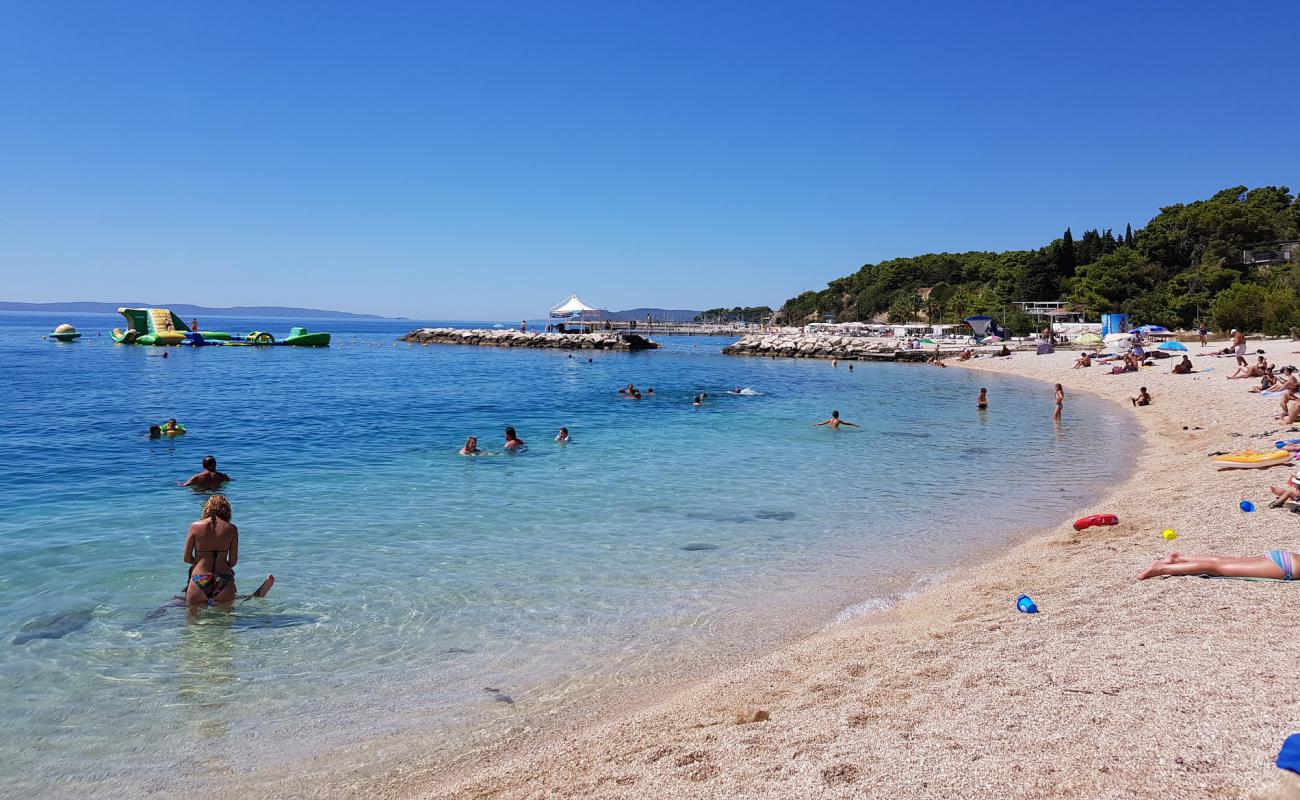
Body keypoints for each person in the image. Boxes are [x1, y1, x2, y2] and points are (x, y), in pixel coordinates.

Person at [183, 495, 239, 605]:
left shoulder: (195, 526)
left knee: (192, 620)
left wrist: (199, 562)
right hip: (224, 579)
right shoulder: (232, 529)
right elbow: (232, 562)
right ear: (226, 510)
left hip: (200, 578)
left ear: (207, 508)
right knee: (226, 620)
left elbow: (187, 558)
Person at [1138, 550, 1296, 581]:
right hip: (1284, 567)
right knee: (1217, 568)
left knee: (1225, 561)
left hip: (1283, 556)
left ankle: (1180, 559)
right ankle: (1163, 569)